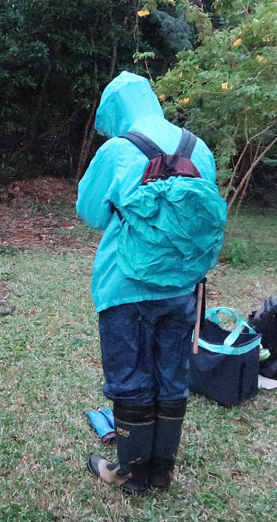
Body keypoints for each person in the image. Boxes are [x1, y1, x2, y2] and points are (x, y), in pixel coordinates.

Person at [76, 71, 221, 495]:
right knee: (172, 375)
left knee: (130, 379)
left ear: (115, 111)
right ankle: (162, 472)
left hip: (124, 287)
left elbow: (91, 213)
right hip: (182, 287)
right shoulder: (199, 148)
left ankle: (132, 475)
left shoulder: (119, 150)